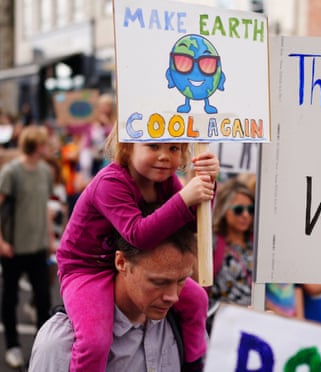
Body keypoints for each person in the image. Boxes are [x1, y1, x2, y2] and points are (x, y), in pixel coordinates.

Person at [56, 123, 219, 372]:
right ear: (127, 147)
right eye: (153, 146)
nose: (164, 156)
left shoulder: (165, 181)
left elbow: (192, 226)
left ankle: (195, 364)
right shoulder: (110, 182)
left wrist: (208, 185)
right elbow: (138, 236)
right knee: (94, 341)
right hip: (86, 268)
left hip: (128, 263)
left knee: (197, 299)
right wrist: (186, 197)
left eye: (174, 148)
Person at [29, 206, 204, 371]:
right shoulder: (61, 343)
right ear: (121, 262)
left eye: (182, 280)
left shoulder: (184, 326)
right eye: (159, 282)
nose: (173, 297)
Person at [0, 126, 54, 368]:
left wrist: (50, 239)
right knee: (9, 298)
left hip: (37, 246)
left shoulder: (45, 172)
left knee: (43, 298)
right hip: (13, 247)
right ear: (37, 145)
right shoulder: (11, 173)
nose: (48, 146)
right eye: (45, 142)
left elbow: (45, 207)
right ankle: (12, 345)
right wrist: (1, 241)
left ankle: (42, 347)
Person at [210, 179, 255, 307]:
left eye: (251, 209)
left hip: (255, 320)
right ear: (224, 210)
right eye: (239, 209)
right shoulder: (211, 243)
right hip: (220, 321)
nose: (246, 215)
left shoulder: (257, 243)